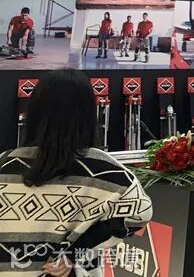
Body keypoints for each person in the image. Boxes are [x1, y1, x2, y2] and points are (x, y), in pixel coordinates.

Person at [0, 70, 152, 276]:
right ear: (87, 114)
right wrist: (75, 251)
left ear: (34, 113)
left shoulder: (4, 163)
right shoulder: (105, 170)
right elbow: (140, 212)